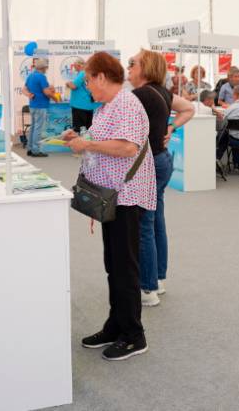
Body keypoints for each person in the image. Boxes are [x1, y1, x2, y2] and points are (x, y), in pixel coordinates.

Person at [62, 52, 155, 361]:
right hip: (111, 194)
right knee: (113, 264)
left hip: (125, 196)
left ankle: (134, 335)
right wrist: (80, 138)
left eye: (88, 80)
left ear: (101, 77)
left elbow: (127, 147)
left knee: (124, 265)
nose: (86, 86)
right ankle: (116, 325)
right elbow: (104, 140)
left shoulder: (126, 103)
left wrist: (87, 144)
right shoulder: (107, 106)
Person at [127, 50, 194, 307]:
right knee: (155, 220)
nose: (128, 68)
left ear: (145, 68)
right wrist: (172, 127)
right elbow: (188, 108)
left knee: (144, 224)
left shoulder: (139, 95)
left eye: (132, 64)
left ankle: (147, 288)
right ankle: (157, 278)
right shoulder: (163, 92)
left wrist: (171, 126)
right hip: (162, 161)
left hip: (147, 165)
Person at [24, 57, 57, 157]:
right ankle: (36, 150)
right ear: (43, 67)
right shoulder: (42, 77)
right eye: (46, 67)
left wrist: (30, 94)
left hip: (33, 105)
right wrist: (55, 97)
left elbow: (24, 89)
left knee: (33, 127)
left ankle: (30, 148)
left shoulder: (31, 76)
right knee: (38, 129)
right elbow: (46, 92)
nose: (46, 69)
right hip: (41, 105)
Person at [67, 68, 101, 133]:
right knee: (88, 129)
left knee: (79, 130)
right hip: (90, 105)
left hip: (79, 105)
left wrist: (68, 83)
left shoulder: (83, 73)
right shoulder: (96, 74)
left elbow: (73, 86)